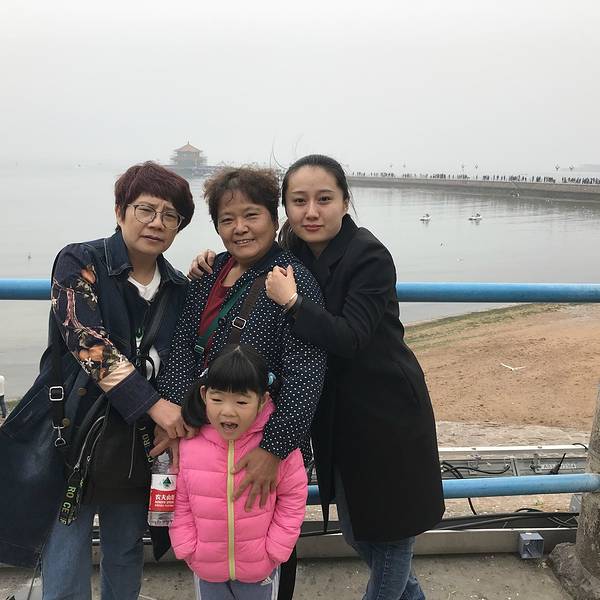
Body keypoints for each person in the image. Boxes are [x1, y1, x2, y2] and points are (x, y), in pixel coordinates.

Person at [192, 155, 444, 600]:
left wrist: (292, 303)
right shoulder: (298, 247)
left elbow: (352, 337)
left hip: (384, 412)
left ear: (345, 201)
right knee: (360, 532)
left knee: (389, 537)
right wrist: (212, 261)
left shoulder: (368, 254)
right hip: (335, 417)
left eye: (324, 199)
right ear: (285, 209)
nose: (311, 212)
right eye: (299, 201)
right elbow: (250, 245)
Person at [0, 162, 195, 600]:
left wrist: (171, 414)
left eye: (170, 215)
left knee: (125, 548)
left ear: (179, 227)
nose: (157, 223)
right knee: (65, 554)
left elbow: (183, 359)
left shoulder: (178, 287)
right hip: (72, 429)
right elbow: (87, 341)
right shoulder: (80, 261)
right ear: (120, 211)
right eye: (145, 209)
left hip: (136, 439)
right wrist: (158, 407)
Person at [157, 166, 326, 599]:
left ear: (273, 217)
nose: (240, 228)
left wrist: (275, 449)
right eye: (227, 219)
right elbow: (183, 349)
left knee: (260, 543)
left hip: (262, 441)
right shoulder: (211, 272)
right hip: (204, 441)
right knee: (213, 542)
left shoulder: (290, 280)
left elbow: (306, 374)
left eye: (251, 215)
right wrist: (173, 417)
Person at [170, 344, 307, 600]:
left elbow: (294, 497)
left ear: (262, 400)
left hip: (260, 569)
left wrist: (275, 550)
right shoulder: (190, 443)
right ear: (204, 394)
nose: (228, 410)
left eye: (241, 401)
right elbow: (180, 500)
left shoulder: (276, 447)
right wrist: (187, 546)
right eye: (217, 399)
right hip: (206, 568)